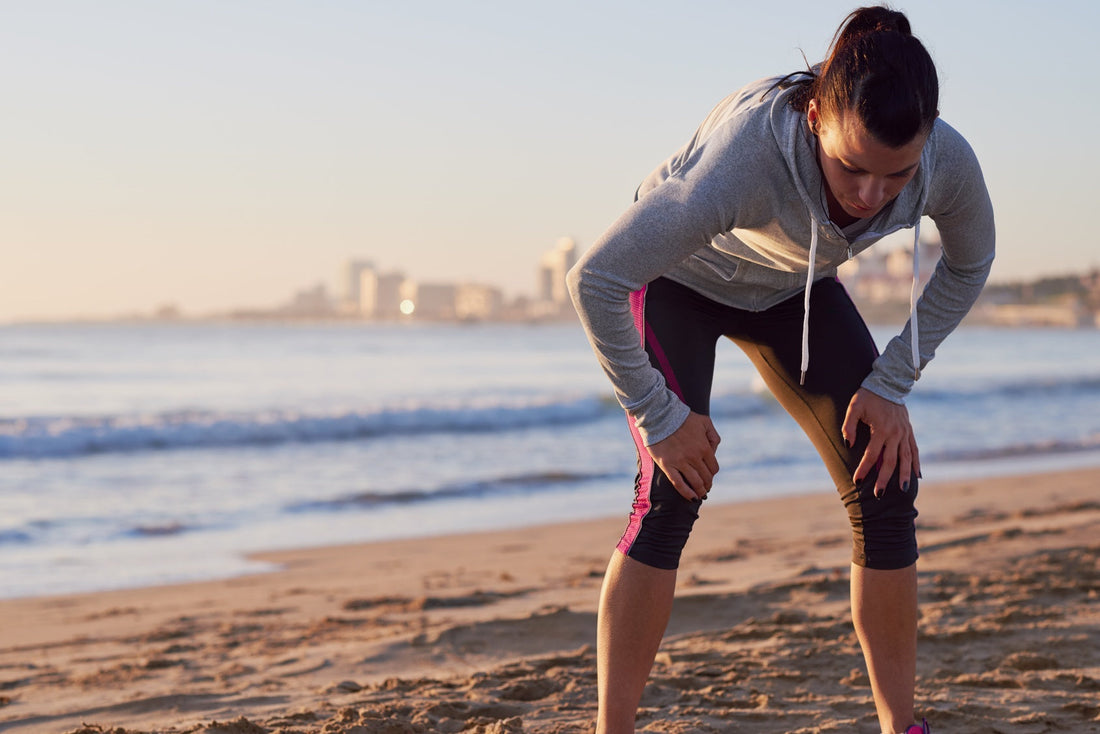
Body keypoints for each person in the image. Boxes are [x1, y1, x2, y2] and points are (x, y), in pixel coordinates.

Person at [566, 6, 994, 734]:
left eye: (896, 175)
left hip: (792, 289)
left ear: (927, 137)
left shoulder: (946, 161)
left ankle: (902, 727)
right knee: (671, 492)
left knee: (886, 479)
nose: (869, 197)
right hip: (678, 280)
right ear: (817, 116)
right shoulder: (747, 157)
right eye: (851, 168)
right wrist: (660, 418)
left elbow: (970, 261)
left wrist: (892, 381)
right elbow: (596, 280)